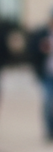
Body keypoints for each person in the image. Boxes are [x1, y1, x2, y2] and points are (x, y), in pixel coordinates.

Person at [28, 9, 53, 142]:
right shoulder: (41, 34)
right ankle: (49, 130)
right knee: (48, 102)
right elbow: (32, 51)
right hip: (47, 74)